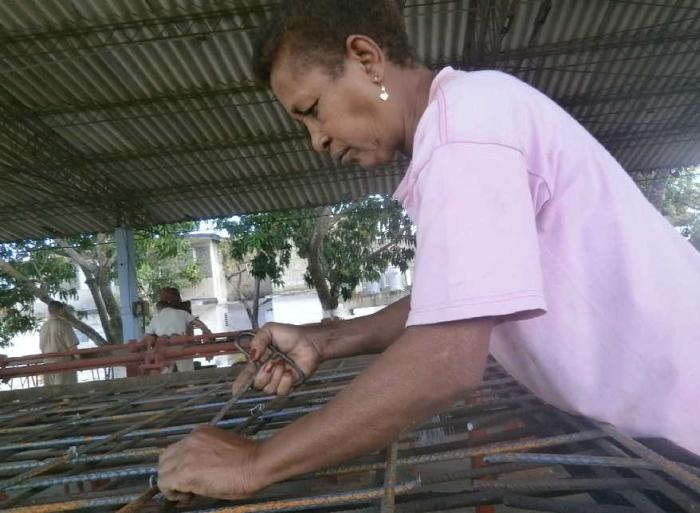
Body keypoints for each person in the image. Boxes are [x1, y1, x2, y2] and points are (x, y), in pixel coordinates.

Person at [158, 0, 700, 502]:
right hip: (646, 428)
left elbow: (447, 358)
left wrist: (256, 462)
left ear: (366, 58)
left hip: (681, 429)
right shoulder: (466, 117)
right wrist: (327, 338)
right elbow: (457, 301)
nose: (316, 139)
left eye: (313, 109)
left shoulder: (465, 129)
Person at [143, 289, 211, 373]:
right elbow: (200, 325)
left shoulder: (156, 317)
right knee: (187, 374)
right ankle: (189, 384)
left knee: (164, 374)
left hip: (163, 350)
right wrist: (208, 334)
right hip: (182, 347)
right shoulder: (183, 312)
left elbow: (146, 337)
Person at [39, 301, 79, 386]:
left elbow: (41, 347)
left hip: (48, 365)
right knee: (67, 395)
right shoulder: (64, 324)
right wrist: (79, 361)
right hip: (64, 365)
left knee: (53, 395)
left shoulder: (43, 327)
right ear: (61, 310)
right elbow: (72, 347)